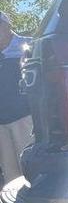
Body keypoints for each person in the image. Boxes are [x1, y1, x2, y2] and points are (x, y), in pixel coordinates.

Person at [0, 12, 32, 184]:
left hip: (25, 117)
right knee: (10, 173)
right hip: (1, 123)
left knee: (29, 167)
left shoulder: (27, 45)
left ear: (8, 26)